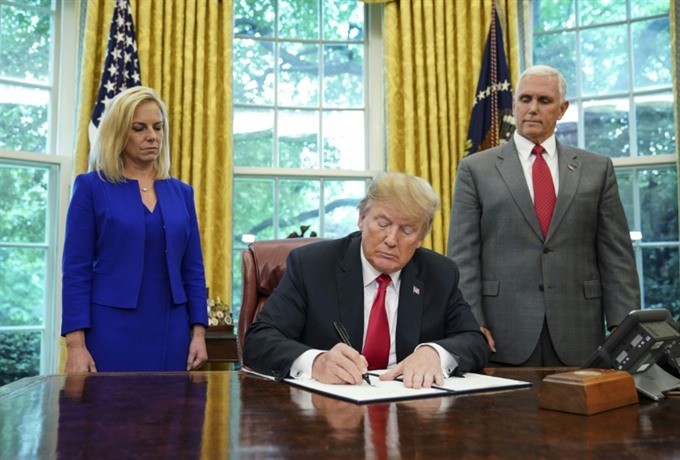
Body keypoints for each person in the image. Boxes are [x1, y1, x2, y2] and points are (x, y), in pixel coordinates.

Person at [447, 65, 640, 367]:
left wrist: (624, 326)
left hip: (580, 330)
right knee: (506, 415)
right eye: (525, 99)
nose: (532, 109)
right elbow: (463, 255)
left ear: (562, 109)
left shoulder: (597, 169)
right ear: (514, 105)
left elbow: (617, 256)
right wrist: (470, 322)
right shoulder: (475, 169)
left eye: (544, 101)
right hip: (501, 331)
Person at [243, 172, 489, 388]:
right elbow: (258, 341)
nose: (391, 239)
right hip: (327, 415)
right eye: (382, 224)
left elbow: (474, 341)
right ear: (362, 219)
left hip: (409, 414)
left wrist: (435, 353)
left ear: (422, 236)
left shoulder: (439, 274)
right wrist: (316, 362)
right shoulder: (312, 266)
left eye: (407, 230)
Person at [61, 86, 209, 372]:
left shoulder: (182, 193)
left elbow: (193, 268)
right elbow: (76, 270)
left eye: (158, 127)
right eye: (139, 128)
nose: (152, 136)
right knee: (109, 413)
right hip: (109, 330)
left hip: (172, 328)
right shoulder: (91, 188)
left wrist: (199, 333)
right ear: (118, 133)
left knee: (170, 413)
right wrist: (75, 345)